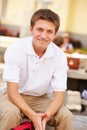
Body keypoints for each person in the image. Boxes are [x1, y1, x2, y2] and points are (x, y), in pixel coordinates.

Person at [0, 9, 73, 130]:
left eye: (49, 31)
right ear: (31, 29)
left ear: (55, 34)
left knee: (66, 116)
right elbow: (12, 91)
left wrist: (46, 115)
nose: (43, 35)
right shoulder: (15, 49)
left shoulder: (59, 56)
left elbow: (59, 95)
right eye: (40, 29)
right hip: (13, 95)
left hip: (41, 98)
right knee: (10, 114)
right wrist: (33, 116)